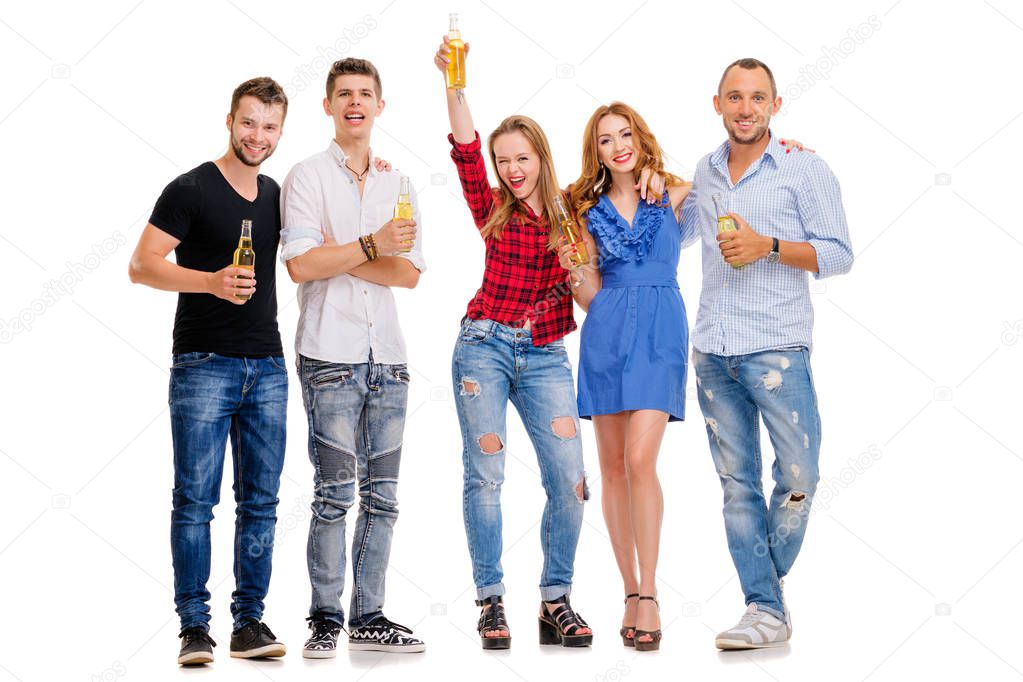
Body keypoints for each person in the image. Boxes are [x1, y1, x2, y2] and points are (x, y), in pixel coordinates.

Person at [681, 58, 854, 649]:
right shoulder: (703, 174)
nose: (746, 108)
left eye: (757, 97)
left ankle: (763, 594)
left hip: (777, 349)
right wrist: (656, 184)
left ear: (775, 105)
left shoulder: (803, 168)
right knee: (737, 485)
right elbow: (672, 232)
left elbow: (837, 254)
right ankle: (765, 610)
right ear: (718, 103)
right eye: (735, 96)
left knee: (800, 477)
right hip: (711, 352)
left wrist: (768, 246)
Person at [435, 35, 593, 650]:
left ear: (541, 158)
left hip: (547, 353)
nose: (511, 168)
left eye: (521, 158)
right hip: (484, 346)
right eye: (505, 161)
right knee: (487, 476)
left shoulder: (572, 215)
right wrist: (454, 83)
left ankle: (555, 601)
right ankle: (490, 601)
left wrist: (573, 257)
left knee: (571, 481)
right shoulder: (493, 207)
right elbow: (466, 149)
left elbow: (588, 297)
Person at [128, 77, 290, 665]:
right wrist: (211, 281)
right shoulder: (190, 188)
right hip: (203, 363)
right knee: (195, 500)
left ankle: (249, 623)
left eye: (270, 127)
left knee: (262, 502)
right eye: (250, 123)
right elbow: (141, 265)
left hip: (268, 366)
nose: (259, 136)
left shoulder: (276, 194)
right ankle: (194, 627)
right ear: (230, 120)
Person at [280, 58, 427, 656]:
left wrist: (341, 254)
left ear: (380, 106)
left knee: (384, 498)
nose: (355, 102)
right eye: (344, 94)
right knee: (335, 494)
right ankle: (324, 618)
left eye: (366, 93)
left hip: (387, 357)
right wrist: (368, 247)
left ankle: (369, 614)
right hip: (330, 355)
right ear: (329, 107)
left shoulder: (400, 181)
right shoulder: (307, 176)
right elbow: (300, 265)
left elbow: (410, 273)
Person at [561, 102, 692, 652]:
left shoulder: (676, 191)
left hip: (662, 333)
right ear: (596, 151)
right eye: (606, 139)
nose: (618, 145)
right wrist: (574, 274)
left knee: (642, 461)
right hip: (607, 331)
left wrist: (791, 146)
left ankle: (652, 591)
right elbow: (587, 291)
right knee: (612, 469)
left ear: (640, 138)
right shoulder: (584, 211)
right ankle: (629, 590)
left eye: (626, 134)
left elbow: (718, 170)